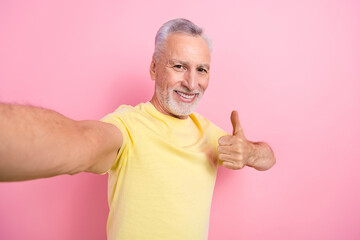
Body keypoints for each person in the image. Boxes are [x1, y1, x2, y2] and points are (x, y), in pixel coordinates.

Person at [0, 18, 276, 239]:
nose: (192, 84)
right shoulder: (128, 125)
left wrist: (249, 152)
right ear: (155, 68)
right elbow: (80, 140)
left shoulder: (207, 131)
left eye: (201, 70)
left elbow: (268, 157)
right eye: (179, 66)